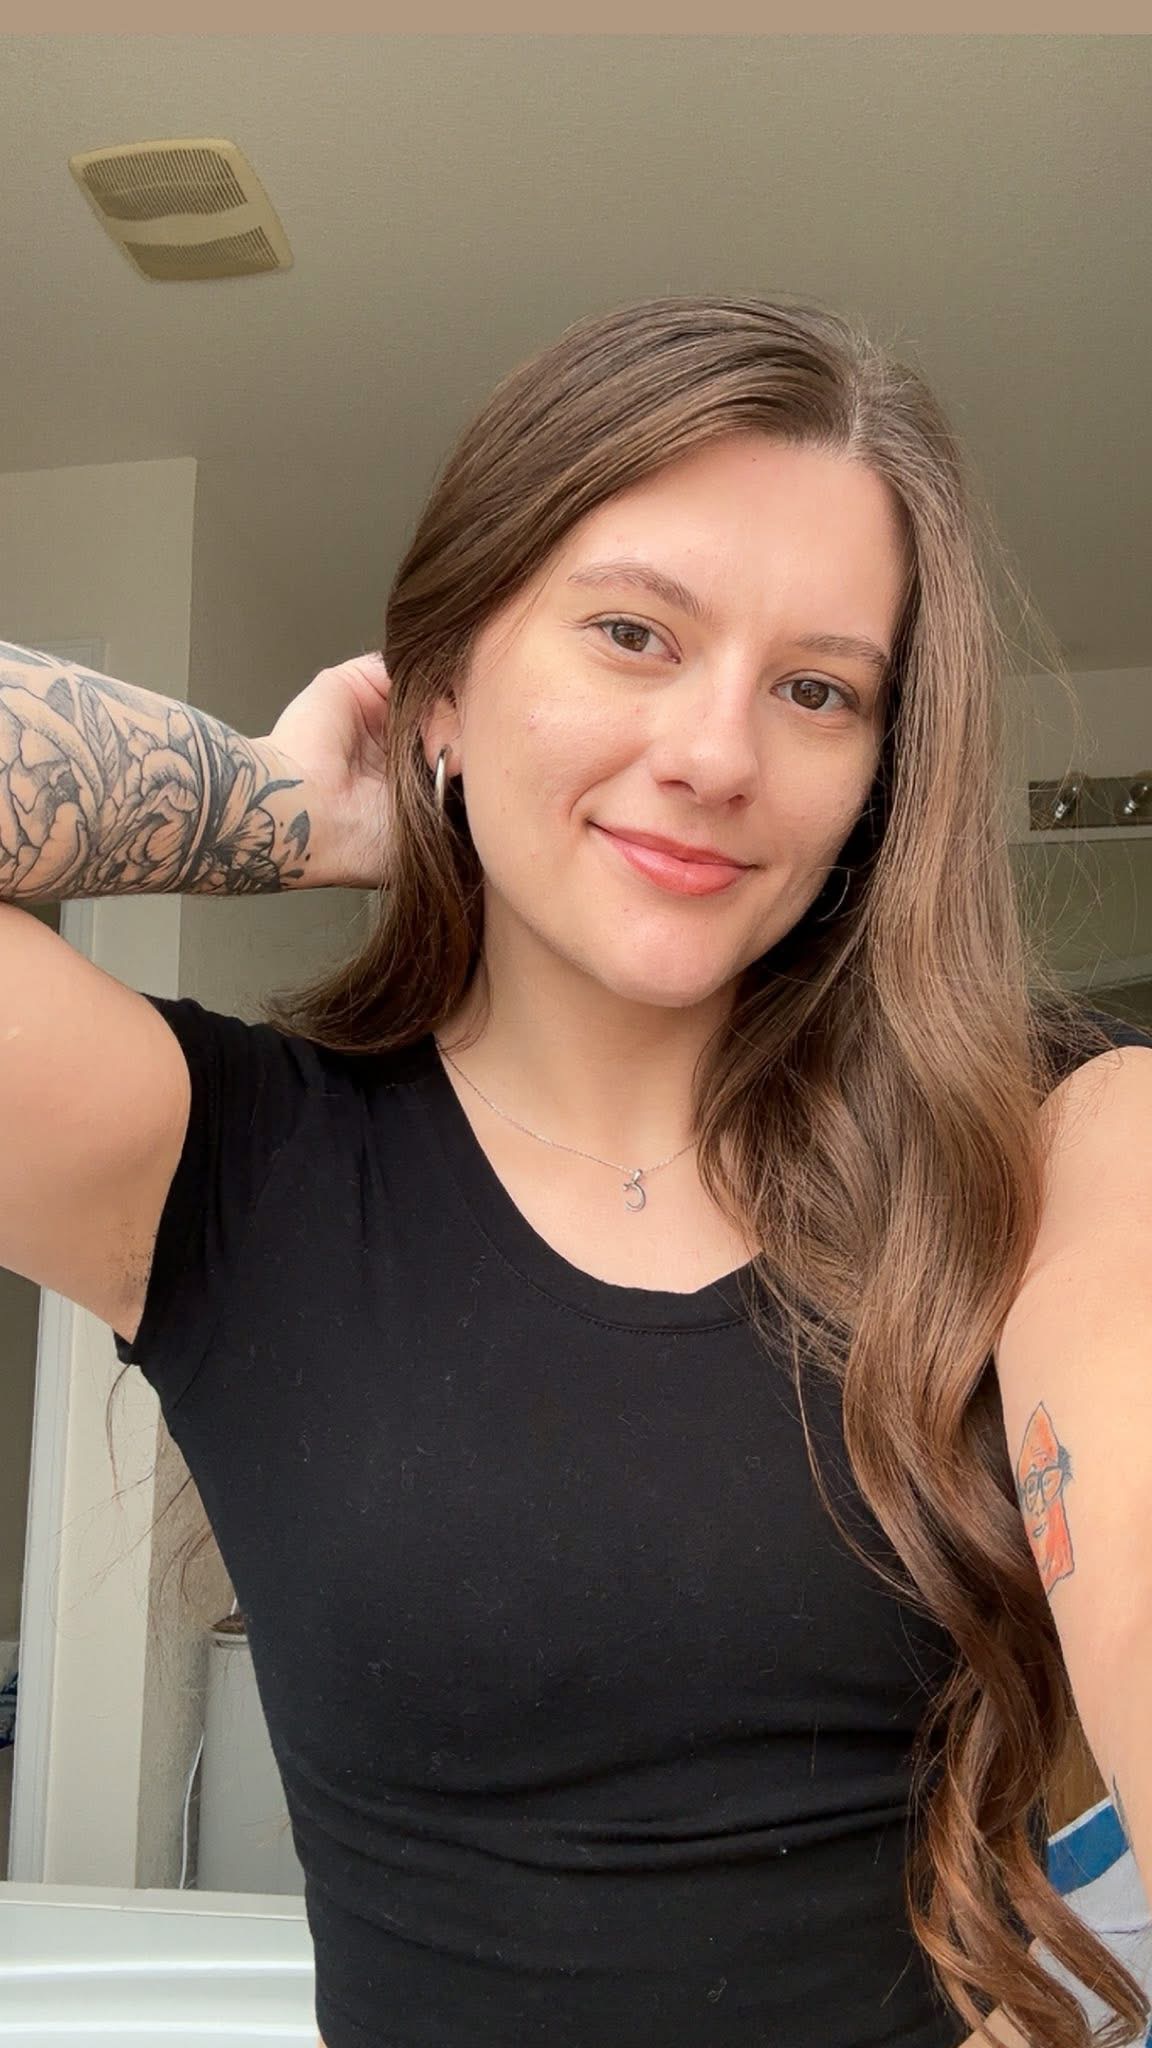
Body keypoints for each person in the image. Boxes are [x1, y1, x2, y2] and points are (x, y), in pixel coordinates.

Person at [1, 293, 1150, 2048]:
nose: (717, 755)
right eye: (631, 633)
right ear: (444, 689)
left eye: (819, 690)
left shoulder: (1063, 1140)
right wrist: (276, 806)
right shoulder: (226, 1164)